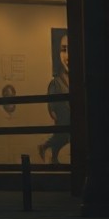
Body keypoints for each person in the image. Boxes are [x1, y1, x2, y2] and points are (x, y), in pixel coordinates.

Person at [37, 32, 70, 164]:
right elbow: (51, 106)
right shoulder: (56, 82)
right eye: (63, 49)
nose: (67, 55)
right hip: (63, 126)